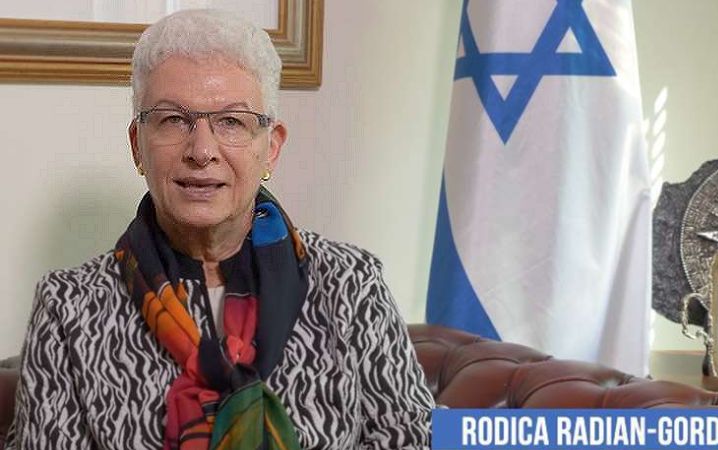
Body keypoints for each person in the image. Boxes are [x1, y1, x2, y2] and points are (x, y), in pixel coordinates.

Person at [7, 9, 434, 450]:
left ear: (271, 148)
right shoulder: (69, 308)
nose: (202, 150)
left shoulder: (349, 283)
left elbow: (420, 439)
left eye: (231, 121)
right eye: (173, 119)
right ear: (137, 145)